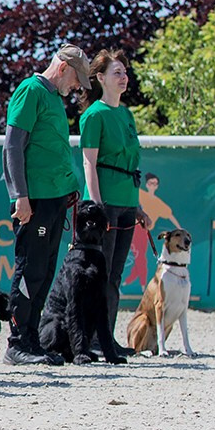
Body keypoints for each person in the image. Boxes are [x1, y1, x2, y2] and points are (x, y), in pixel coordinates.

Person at [3, 44, 93, 366]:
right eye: (77, 79)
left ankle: (33, 339)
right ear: (64, 67)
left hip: (54, 198)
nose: (77, 87)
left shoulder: (53, 97)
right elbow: (13, 146)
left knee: (45, 271)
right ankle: (17, 343)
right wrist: (20, 195)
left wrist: (68, 188)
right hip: (35, 200)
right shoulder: (31, 91)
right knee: (31, 269)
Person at [80, 48, 141, 341]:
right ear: (101, 78)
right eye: (117, 72)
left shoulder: (126, 114)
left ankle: (107, 339)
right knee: (98, 274)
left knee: (115, 275)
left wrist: (137, 205)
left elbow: (130, 161)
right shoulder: (94, 115)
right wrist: (97, 206)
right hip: (106, 204)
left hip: (127, 201)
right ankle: (91, 338)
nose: (123, 77)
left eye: (125, 72)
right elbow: (89, 163)